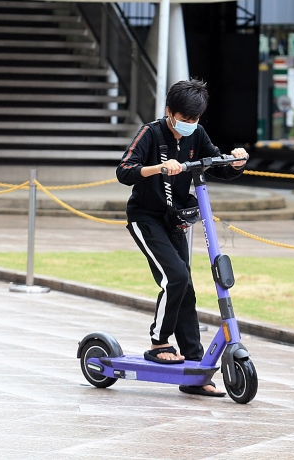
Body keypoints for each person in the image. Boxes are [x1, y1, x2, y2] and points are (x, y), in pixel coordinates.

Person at [116, 79, 248, 398]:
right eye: (184, 119)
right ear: (169, 112)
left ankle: (194, 362)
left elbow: (214, 162)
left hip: (176, 221)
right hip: (145, 218)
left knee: (186, 285)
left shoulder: (197, 134)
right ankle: (158, 343)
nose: (190, 125)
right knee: (174, 278)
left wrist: (236, 161)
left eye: (195, 120)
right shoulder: (151, 133)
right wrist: (159, 168)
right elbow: (124, 171)